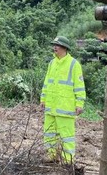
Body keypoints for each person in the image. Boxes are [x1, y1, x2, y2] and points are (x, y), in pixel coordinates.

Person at [40, 36, 86, 164]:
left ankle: (67, 160)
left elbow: (79, 86)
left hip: (65, 107)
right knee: (49, 133)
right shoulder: (51, 63)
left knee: (67, 136)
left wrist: (79, 103)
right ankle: (51, 155)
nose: (55, 47)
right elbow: (46, 83)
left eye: (58, 45)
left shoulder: (73, 64)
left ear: (65, 48)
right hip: (50, 106)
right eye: (54, 45)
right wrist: (43, 99)